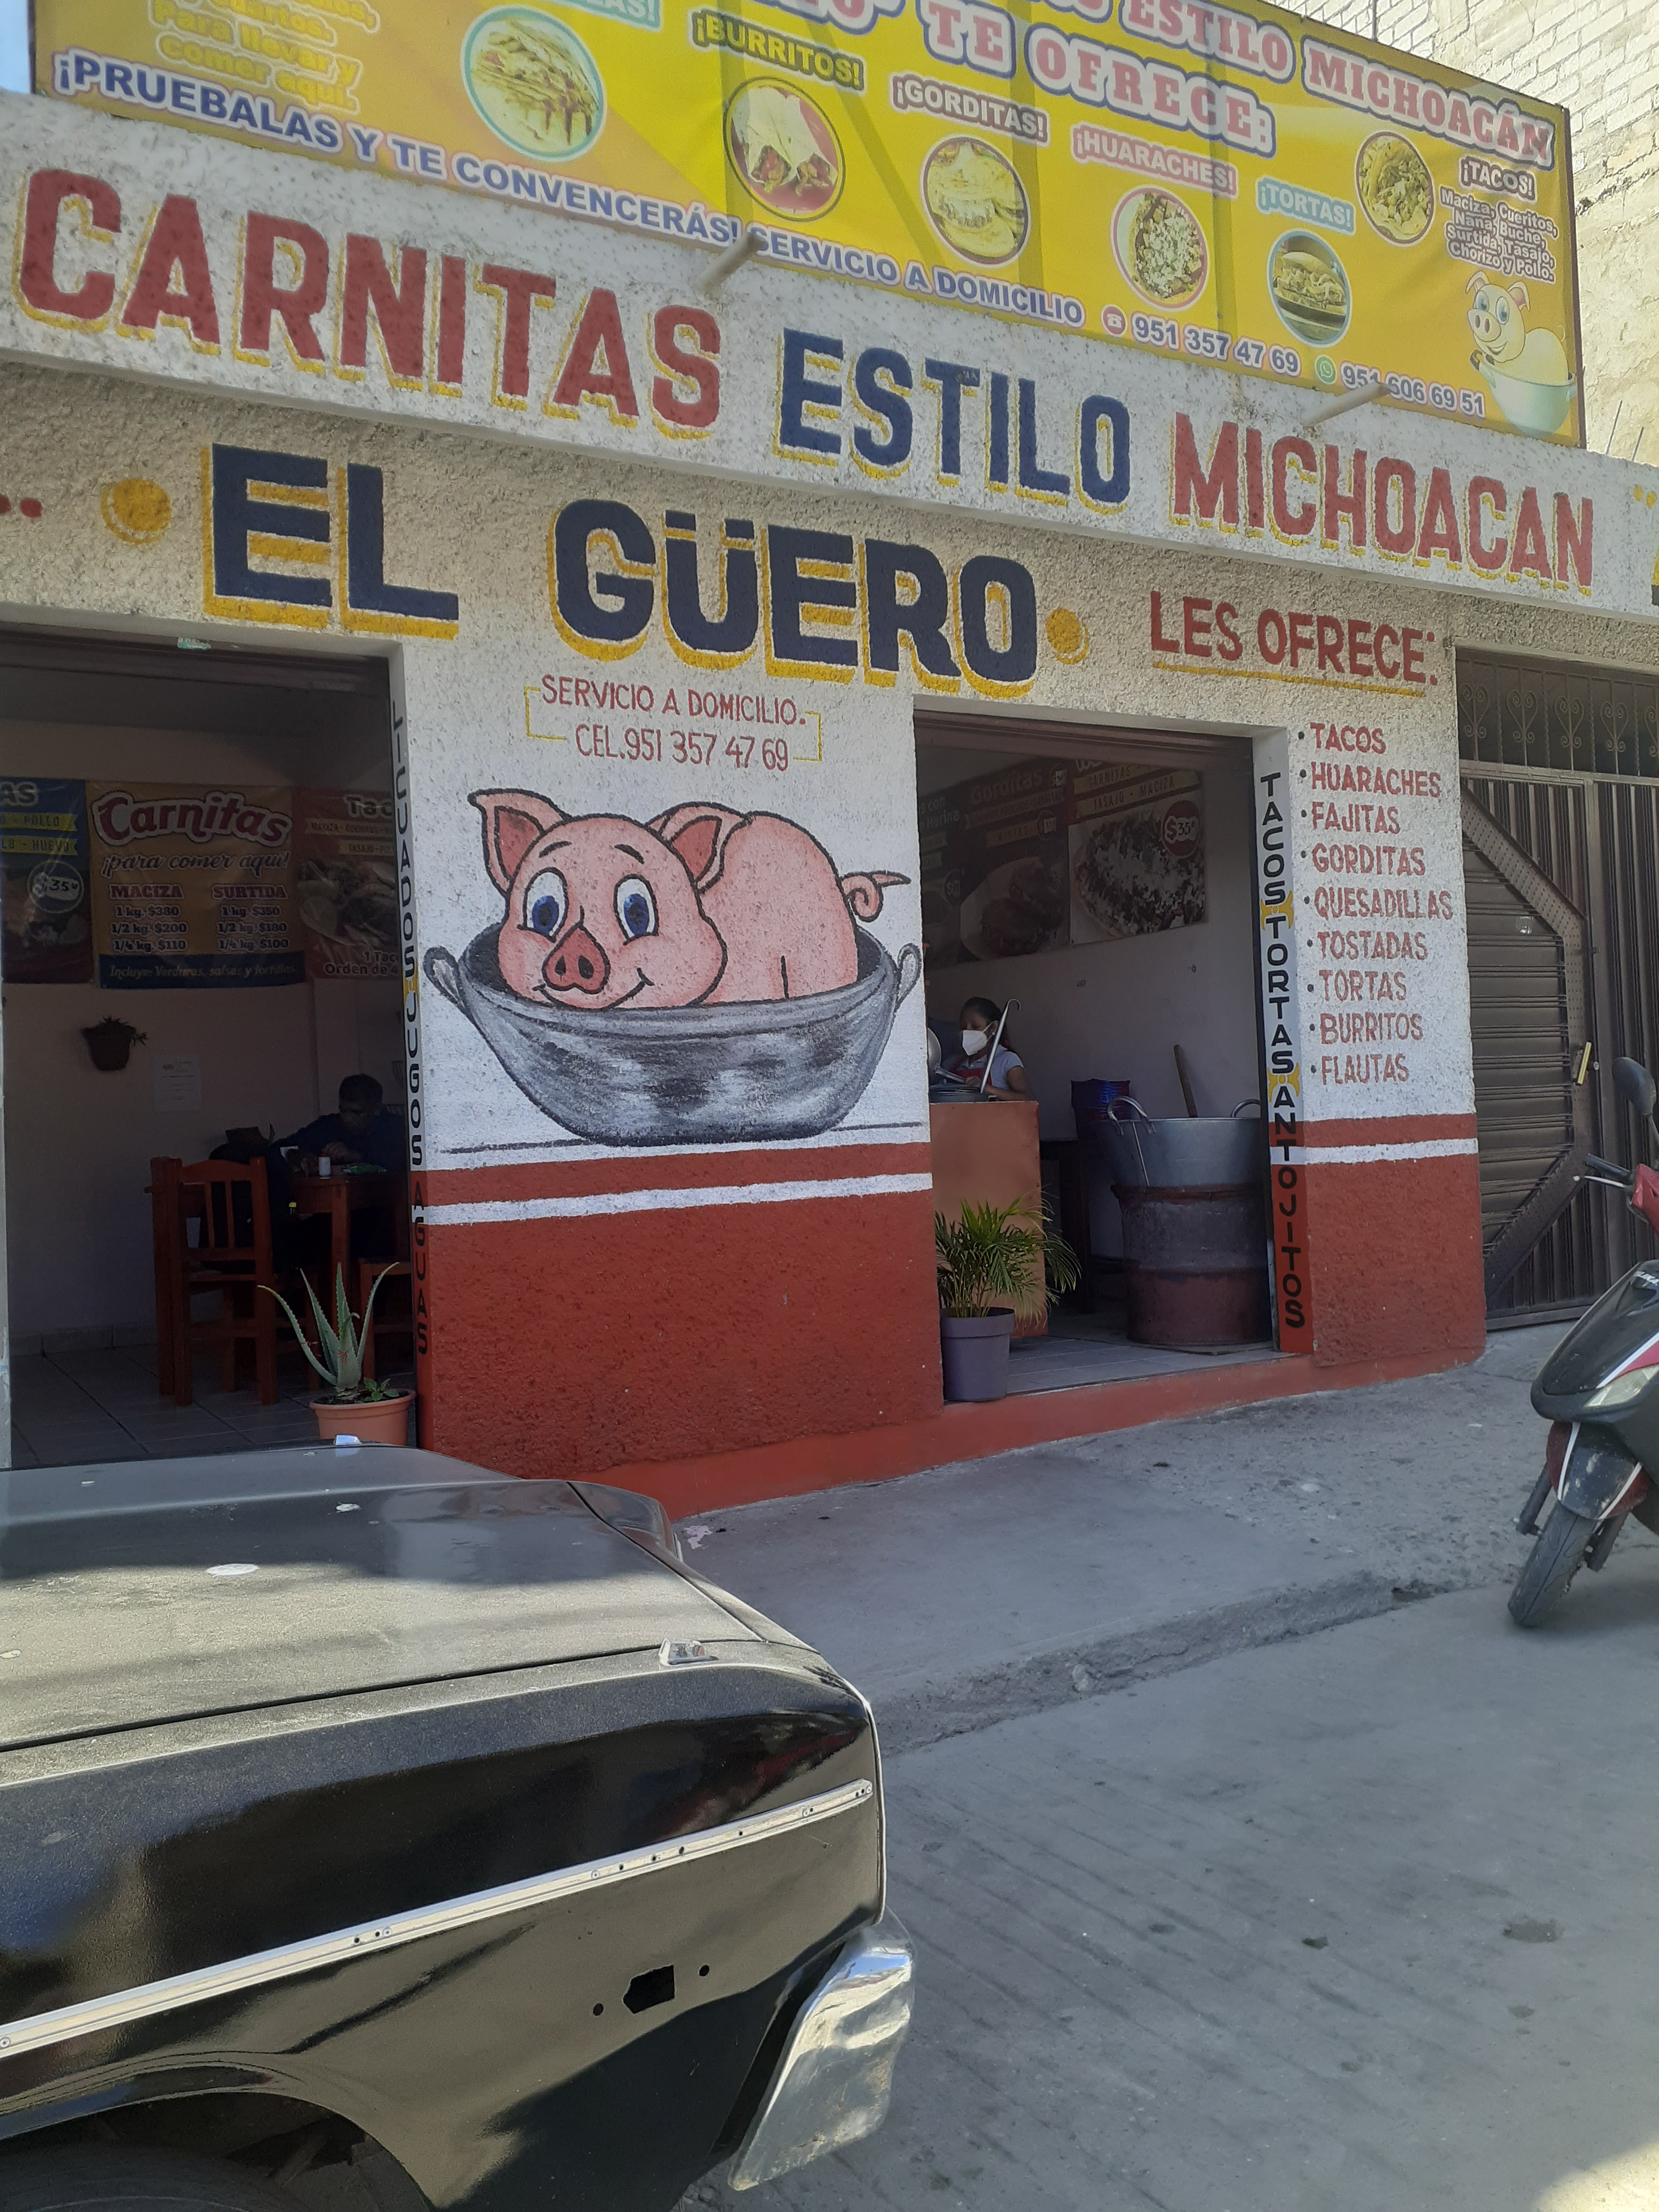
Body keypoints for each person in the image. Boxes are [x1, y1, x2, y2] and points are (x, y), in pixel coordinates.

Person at [281, 1073, 407, 1172]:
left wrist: (356, 1157)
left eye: (356, 1112)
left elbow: (403, 1161)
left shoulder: (396, 1128)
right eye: (343, 1111)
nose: (347, 1119)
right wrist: (299, 1157)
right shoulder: (330, 1125)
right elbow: (284, 1147)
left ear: (377, 1109)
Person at [952, 997, 1031, 1098]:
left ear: (993, 1027)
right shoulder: (956, 1064)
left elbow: (1027, 1099)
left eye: (976, 1027)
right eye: (963, 1027)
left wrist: (988, 1089)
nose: (968, 1032)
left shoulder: (1007, 1060)